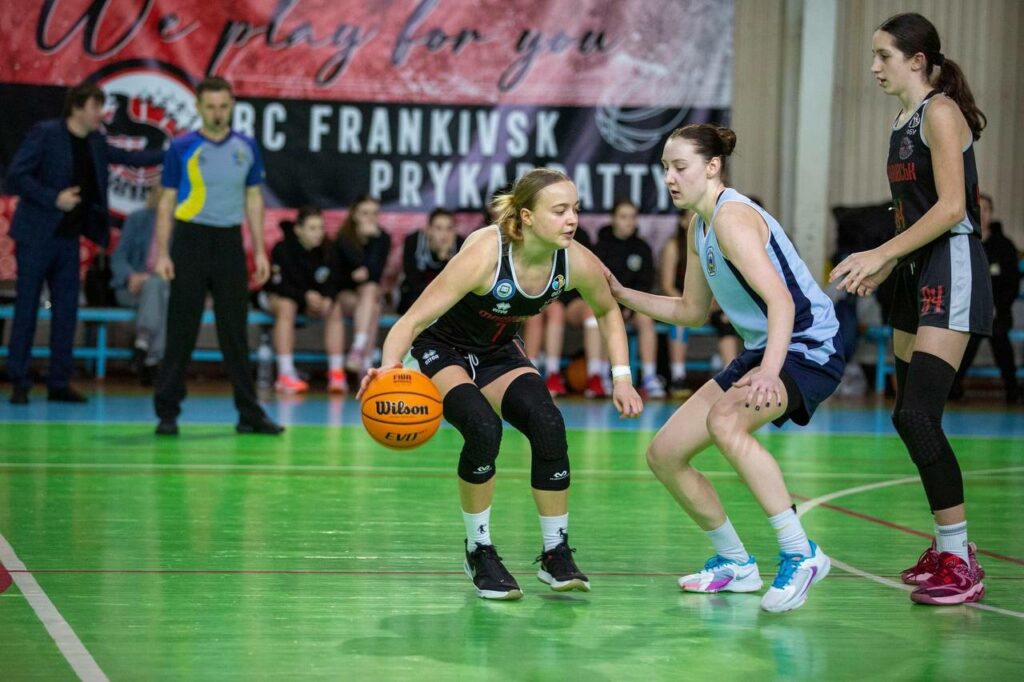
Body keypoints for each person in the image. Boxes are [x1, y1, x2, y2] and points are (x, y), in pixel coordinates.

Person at [357, 169, 643, 600]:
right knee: (482, 428)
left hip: (498, 350)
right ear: (527, 216)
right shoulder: (485, 254)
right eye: (560, 210)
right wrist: (389, 368)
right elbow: (412, 320)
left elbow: (606, 311)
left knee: (548, 423)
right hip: (442, 347)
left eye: (576, 209)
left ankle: (555, 552)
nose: (572, 219)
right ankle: (479, 549)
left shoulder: (573, 260)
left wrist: (622, 378)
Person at [609, 124, 843, 613]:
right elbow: (691, 311)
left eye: (680, 167)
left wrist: (770, 372)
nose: (670, 178)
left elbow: (781, 302)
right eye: (665, 168)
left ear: (713, 167)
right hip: (765, 347)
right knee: (665, 453)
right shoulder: (698, 227)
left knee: (726, 421)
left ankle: (801, 552)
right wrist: (623, 294)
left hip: (807, 344)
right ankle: (736, 563)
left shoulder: (732, 219)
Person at [830, 12, 991, 605]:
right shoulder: (902, 120)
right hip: (914, 272)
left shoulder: (940, 113)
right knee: (910, 415)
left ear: (917, 60)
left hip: (952, 266)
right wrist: (887, 264)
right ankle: (947, 545)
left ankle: (959, 558)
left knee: (918, 416)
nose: (874, 67)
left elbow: (951, 208)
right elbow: (913, 213)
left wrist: (880, 252)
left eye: (884, 56)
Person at [5, 80, 163, 404]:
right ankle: (19, 380)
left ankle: (59, 382)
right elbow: (17, 175)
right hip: (36, 236)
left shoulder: (95, 141)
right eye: (95, 106)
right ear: (77, 107)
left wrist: (175, 151)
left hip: (68, 239)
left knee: (67, 311)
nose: (100, 114)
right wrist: (53, 198)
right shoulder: (46, 134)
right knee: (27, 308)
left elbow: (130, 158)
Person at [153, 76, 282, 436]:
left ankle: (249, 412)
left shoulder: (246, 146)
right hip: (189, 239)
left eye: (223, 106)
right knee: (181, 328)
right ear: (198, 107)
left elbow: (253, 198)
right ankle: (167, 412)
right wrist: (162, 253)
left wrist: (260, 251)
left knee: (235, 331)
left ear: (232, 106)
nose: (217, 113)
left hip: (228, 241)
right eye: (210, 106)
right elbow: (165, 201)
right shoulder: (182, 146)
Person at [263, 206, 346, 394]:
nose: (318, 233)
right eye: (312, 228)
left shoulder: (328, 249)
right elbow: (278, 285)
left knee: (334, 308)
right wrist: (305, 296)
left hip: (308, 302)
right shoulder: (282, 249)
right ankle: (285, 374)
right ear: (298, 229)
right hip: (277, 297)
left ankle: (336, 373)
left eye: (321, 227)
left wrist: (327, 298)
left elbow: (335, 281)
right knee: (287, 306)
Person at [951, 194, 1021, 403]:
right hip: (966, 311)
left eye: (986, 210)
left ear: (992, 213)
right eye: (977, 209)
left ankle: (1012, 390)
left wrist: (996, 306)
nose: (981, 214)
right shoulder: (960, 242)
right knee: (967, 340)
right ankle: (953, 388)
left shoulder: (1005, 246)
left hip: (997, 312)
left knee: (999, 337)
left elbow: (1011, 284)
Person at [595, 199, 665, 398]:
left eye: (633, 217)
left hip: (634, 305)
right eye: (623, 217)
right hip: (609, 304)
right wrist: (616, 305)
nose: (629, 222)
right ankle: (603, 375)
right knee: (604, 317)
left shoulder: (642, 248)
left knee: (646, 319)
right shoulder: (601, 247)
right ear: (613, 219)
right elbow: (597, 282)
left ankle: (649, 376)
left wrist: (630, 305)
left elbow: (645, 283)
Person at [521, 227, 599, 397]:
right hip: (540, 295)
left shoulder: (581, 236)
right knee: (551, 311)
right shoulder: (538, 233)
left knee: (591, 312)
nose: (569, 218)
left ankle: (595, 375)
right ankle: (532, 376)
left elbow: (589, 277)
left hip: (571, 300)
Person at [111, 178, 171, 386]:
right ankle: (153, 359)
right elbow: (119, 257)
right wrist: (131, 276)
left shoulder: (183, 228)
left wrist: (152, 278)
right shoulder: (138, 219)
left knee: (158, 286)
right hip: (132, 289)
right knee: (161, 293)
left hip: (164, 289)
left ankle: (143, 343)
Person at [333, 195, 391, 376]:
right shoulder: (343, 238)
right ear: (355, 215)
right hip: (346, 295)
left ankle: (358, 349)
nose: (370, 218)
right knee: (372, 303)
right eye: (365, 213)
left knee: (371, 296)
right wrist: (360, 273)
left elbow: (374, 274)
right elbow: (342, 276)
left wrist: (373, 241)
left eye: (374, 213)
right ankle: (365, 368)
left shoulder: (382, 238)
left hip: (368, 295)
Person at [397, 208, 463, 314]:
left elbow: (457, 282)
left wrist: (444, 259)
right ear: (429, 230)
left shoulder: (461, 244)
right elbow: (412, 277)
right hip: (417, 295)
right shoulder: (413, 241)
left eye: (449, 228)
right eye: (438, 228)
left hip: (447, 298)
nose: (444, 234)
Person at [659, 210, 693, 398]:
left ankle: (732, 375)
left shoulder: (710, 243)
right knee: (680, 319)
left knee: (727, 320)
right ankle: (678, 377)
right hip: (681, 301)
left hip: (708, 304)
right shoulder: (673, 246)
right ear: (682, 221)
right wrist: (687, 303)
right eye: (691, 215)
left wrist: (713, 303)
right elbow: (667, 285)